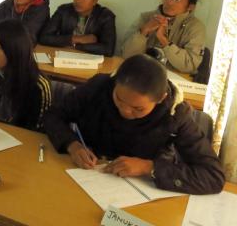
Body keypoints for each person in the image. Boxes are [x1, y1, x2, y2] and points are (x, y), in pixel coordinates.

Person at [44, 54, 225, 195]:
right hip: (82, 177)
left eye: (138, 109)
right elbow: (53, 115)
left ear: (160, 99)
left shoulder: (175, 114)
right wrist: (72, 144)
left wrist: (149, 167)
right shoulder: (99, 87)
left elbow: (213, 176)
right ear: (115, 83)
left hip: (135, 194)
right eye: (119, 100)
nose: (125, 111)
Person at [122, 0, 205, 74]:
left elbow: (190, 65)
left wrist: (164, 41)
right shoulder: (146, 17)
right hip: (141, 74)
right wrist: (143, 32)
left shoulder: (196, 27)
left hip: (174, 79)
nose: (170, 2)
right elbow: (126, 55)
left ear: (190, 7)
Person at [39, 0, 116, 56]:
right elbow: (44, 37)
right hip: (64, 57)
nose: (78, 0)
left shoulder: (106, 16)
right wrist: (74, 39)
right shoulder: (63, 11)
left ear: (95, 1)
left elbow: (108, 50)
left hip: (90, 61)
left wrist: (77, 46)